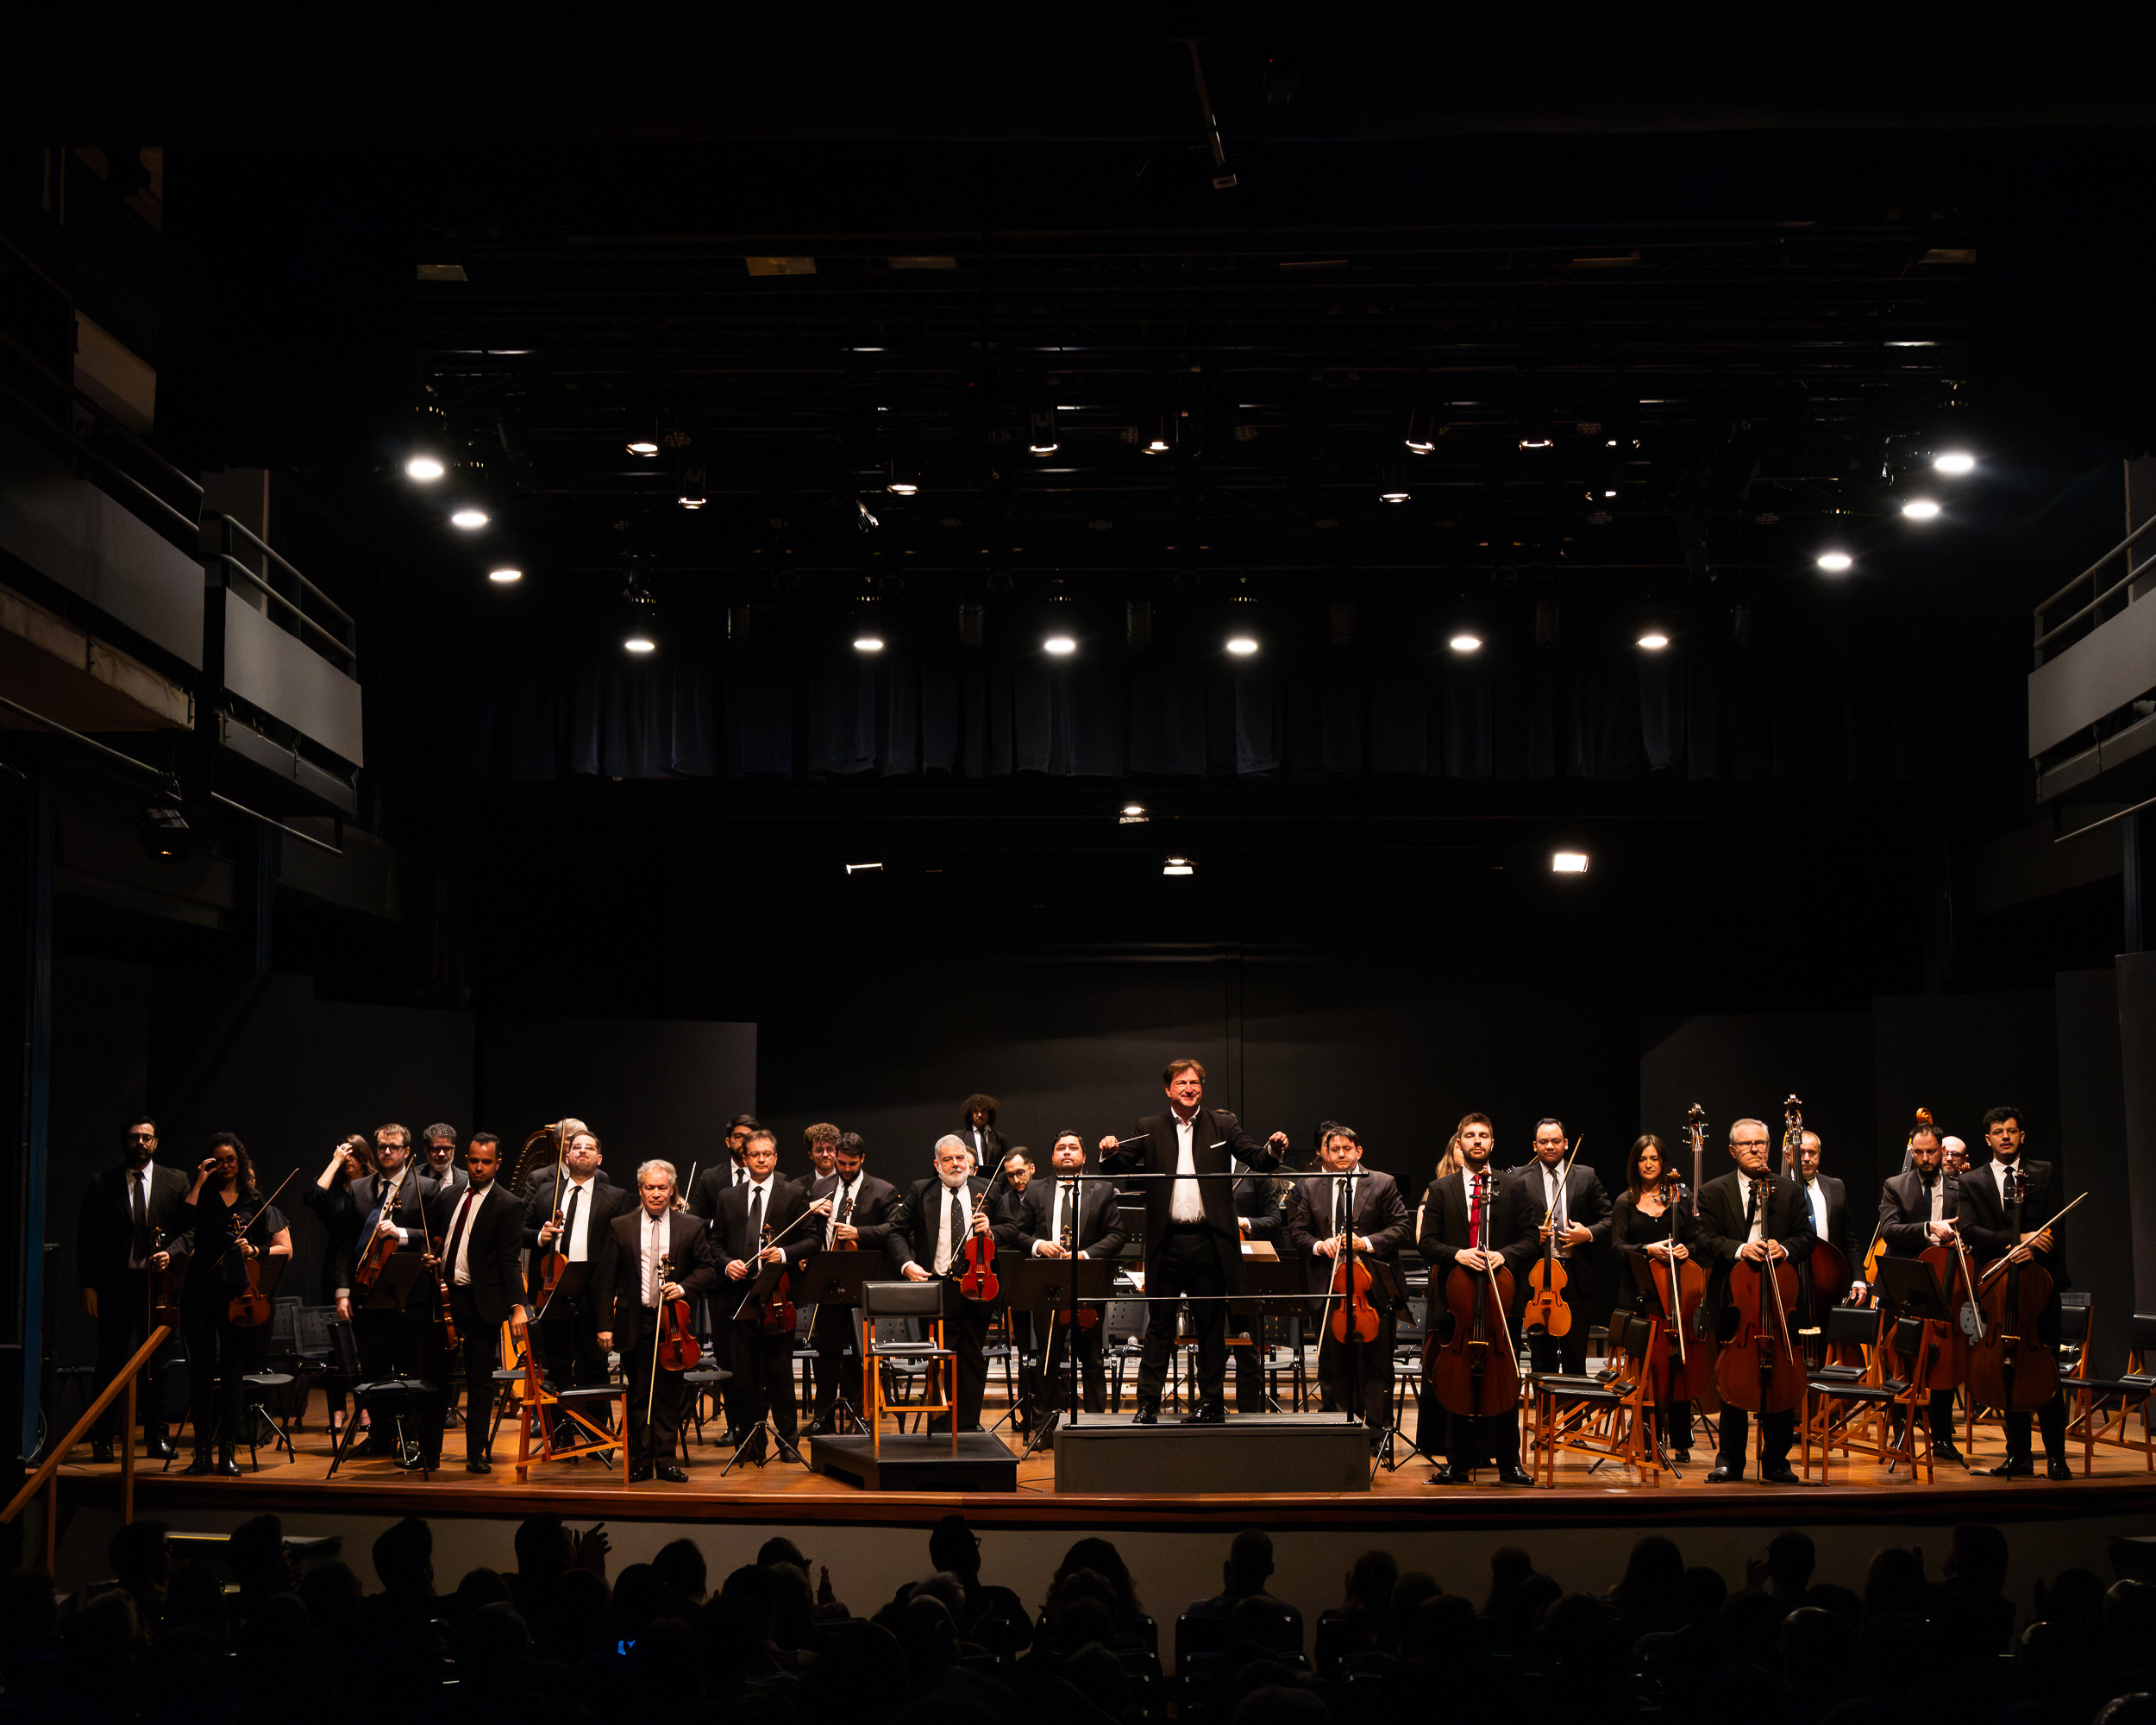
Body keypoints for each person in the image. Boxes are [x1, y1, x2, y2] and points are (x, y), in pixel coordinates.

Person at [1097, 1059, 1288, 1425]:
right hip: (1166, 1242)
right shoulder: (1148, 1127)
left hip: (1208, 1241)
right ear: (1168, 1089)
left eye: (1195, 1082)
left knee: (1210, 1326)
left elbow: (1257, 1158)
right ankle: (1148, 1403)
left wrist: (1274, 1149)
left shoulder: (1224, 1124)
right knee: (1159, 1327)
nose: (1189, 1087)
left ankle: (1212, 1402)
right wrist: (1108, 1149)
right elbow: (1115, 1165)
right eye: (1182, 1083)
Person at [1693, 1117, 1815, 1484]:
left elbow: (1807, 1238)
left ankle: (1776, 1460)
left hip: (1781, 1299)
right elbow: (1704, 1239)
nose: (1755, 1149)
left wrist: (1786, 1248)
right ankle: (1730, 1460)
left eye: (1760, 1143)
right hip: (1734, 1300)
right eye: (1746, 1145)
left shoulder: (1790, 1191)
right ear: (1732, 1150)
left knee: (1781, 1380)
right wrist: (1741, 1249)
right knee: (1733, 1380)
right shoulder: (1713, 1192)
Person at [1416, 1112, 1534, 1484]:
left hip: (1501, 1300)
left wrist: (1505, 1255)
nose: (1477, 1141)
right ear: (1460, 1143)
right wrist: (1457, 1254)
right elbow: (1425, 1243)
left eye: (1484, 1135)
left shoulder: (1513, 1187)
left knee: (1504, 1380)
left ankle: (1509, 1464)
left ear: (1492, 1143)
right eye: (1470, 1135)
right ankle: (1458, 1463)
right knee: (1456, 1380)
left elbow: (1532, 1238)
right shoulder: (1441, 1189)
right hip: (1458, 1299)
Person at [1956, 1105, 2072, 1480]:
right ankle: (2019, 1456)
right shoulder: (1972, 1182)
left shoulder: (2044, 1172)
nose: (2005, 1136)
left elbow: (2055, 1229)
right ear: (1987, 1139)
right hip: (1998, 1287)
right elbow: (1971, 1230)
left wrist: (2034, 1246)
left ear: (2022, 1135)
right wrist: (2014, 1241)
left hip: (2041, 1287)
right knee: (2006, 1369)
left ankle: (2057, 1456)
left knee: (2046, 1370)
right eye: (1998, 1131)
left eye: (2012, 1130)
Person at [1284, 1126, 1410, 1450]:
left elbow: (1402, 1228)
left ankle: (1376, 1436)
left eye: (1347, 1149)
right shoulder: (1308, 1186)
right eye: (1335, 1148)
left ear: (1359, 1152)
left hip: (1372, 1291)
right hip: (1329, 1290)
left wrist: (1365, 1242)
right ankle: (1337, 1435)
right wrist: (1318, 1245)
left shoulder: (1382, 1182)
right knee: (1333, 1366)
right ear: (1325, 1152)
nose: (1341, 1154)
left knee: (1376, 1365)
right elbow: (1297, 1234)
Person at [76, 1114, 191, 1463]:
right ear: (124, 1141)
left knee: (159, 1364)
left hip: (158, 1286)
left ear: (155, 1142)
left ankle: (156, 1437)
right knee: (110, 1361)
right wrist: (88, 1285)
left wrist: (171, 1254)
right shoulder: (102, 1183)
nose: (140, 1143)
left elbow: (191, 1231)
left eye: (147, 1137)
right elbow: (87, 1239)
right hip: (115, 1287)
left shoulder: (177, 1180)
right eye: (134, 1137)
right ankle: (102, 1438)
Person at [175, 1133, 291, 1475]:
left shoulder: (254, 1200)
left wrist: (253, 1250)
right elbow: (184, 1221)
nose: (225, 1166)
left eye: (231, 1160)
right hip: (200, 1289)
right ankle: (200, 1454)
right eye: (218, 1160)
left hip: (237, 1293)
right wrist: (200, 1178)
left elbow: (271, 1246)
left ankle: (227, 1452)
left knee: (232, 1372)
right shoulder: (203, 1195)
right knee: (200, 1372)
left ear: (239, 1163)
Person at [609, 1159, 719, 1481]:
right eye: (649, 1188)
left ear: (672, 1190)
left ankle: (666, 1460)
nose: (656, 1194)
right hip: (636, 1321)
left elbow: (707, 1268)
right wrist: (604, 1323)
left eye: (662, 1188)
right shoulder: (621, 1225)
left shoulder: (691, 1225)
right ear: (640, 1190)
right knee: (640, 1393)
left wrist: (683, 1287)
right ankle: (641, 1461)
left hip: (673, 1323)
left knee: (669, 1394)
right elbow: (607, 1277)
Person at [425, 1131, 528, 1473]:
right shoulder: (449, 1196)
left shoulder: (509, 1204)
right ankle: (429, 1454)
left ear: (498, 1163)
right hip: (445, 1297)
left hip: (480, 1302)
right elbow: (439, 1242)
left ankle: (476, 1454)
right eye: (473, 1160)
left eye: (486, 1162)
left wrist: (518, 1306)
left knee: (480, 1381)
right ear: (465, 1159)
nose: (478, 1167)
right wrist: (431, 1258)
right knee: (435, 1378)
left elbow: (509, 1260)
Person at [714, 1128, 820, 1459]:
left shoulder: (793, 1193)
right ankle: (750, 1444)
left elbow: (812, 1239)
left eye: (768, 1154)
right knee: (744, 1376)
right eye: (755, 1154)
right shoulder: (728, 1197)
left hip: (778, 1297)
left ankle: (787, 1442)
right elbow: (714, 1243)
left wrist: (784, 1254)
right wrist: (728, 1263)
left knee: (779, 1373)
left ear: (775, 1157)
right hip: (739, 1298)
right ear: (744, 1158)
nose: (762, 1159)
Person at [889, 1136, 1000, 1432]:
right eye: (948, 1159)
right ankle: (940, 1425)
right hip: (938, 1286)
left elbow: (1012, 1228)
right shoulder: (921, 1191)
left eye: (960, 1158)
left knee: (974, 1355)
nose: (955, 1164)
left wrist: (991, 1231)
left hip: (978, 1281)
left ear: (968, 1162)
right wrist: (907, 1264)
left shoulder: (987, 1190)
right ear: (937, 1164)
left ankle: (968, 1424)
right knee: (941, 1355)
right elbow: (896, 1232)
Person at [1014, 1130, 1127, 1421]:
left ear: (1084, 1156)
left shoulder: (1101, 1190)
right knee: (1048, 1357)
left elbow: (1117, 1236)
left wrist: (1084, 1254)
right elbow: (1017, 1232)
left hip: (1087, 1283)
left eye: (1073, 1148)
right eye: (1061, 1148)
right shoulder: (1036, 1190)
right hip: (1047, 1284)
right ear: (1052, 1157)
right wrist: (1039, 1245)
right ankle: (1045, 1423)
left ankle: (1095, 1424)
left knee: (1091, 1358)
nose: (1067, 1152)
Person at [1876, 1117, 1968, 1464]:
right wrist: (1931, 1228)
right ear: (1912, 1151)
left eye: (1931, 1152)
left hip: (1944, 1283)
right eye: (1920, 1153)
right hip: (1903, 1283)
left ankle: (1942, 1437)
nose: (1926, 1159)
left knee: (1943, 1362)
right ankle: (1901, 1433)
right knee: (1901, 1360)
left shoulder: (1961, 1188)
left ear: (1942, 1151)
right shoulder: (1895, 1186)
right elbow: (1890, 1231)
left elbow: (1970, 1229)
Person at [523, 1126, 630, 1406]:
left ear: (600, 1158)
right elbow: (517, 1231)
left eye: (589, 1147)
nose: (582, 1150)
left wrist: (618, 1290)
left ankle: (598, 1441)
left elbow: (626, 1249)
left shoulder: (615, 1196)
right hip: (553, 1291)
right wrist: (539, 1236)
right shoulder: (547, 1192)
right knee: (556, 1366)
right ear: (567, 1157)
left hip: (593, 1292)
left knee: (593, 1365)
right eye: (576, 1147)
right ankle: (562, 1438)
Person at [1610, 1132, 1700, 1459]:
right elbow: (1617, 1247)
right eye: (1643, 1159)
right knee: (1648, 1371)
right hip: (1640, 1294)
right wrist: (1647, 1249)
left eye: (1655, 1159)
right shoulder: (1625, 1201)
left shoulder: (1681, 1196)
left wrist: (1686, 1248)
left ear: (1664, 1163)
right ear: (1636, 1164)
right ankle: (1649, 1437)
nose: (1649, 1164)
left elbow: (1698, 1240)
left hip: (1676, 1296)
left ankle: (1680, 1439)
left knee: (1676, 1364)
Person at [806, 1131, 899, 1432]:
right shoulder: (821, 1186)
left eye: (852, 1164)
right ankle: (824, 1419)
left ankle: (862, 1417)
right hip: (829, 1282)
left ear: (862, 1159)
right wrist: (811, 1214)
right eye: (842, 1164)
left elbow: (894, 1229)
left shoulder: (882, 1190)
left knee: (861, 1355)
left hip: (862, 1284)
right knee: (826, 1354)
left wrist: (859, 1233)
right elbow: (809, 1229)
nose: (846, 1170)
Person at [1520, 1117, 1611, 1376]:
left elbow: (1611, 1218)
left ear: (1566, 1144)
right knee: (1541, 1360)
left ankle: (1572, 1415)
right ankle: (1545, 1417)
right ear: (1535, 1146)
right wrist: (1531, 1234)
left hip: (1575, 1276)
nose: (1550, 1146)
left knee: (1575, 1358)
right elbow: (1509, 1225)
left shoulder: (1586, 1175)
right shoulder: (1520, 1178)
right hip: (1537, 1279)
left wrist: (1588, 1234)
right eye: (1544, 1141)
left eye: (1556, 1141)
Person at [960, 1095, 1006, 1172]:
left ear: (989, 1115)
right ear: (970, 1115)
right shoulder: (960, 1137)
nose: (979, 1115)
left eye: (983, 1112)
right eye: (975, 1112)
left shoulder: (1001, 1139)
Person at [423, 1124, 468, 1200]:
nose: (441, 1154)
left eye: (446, 1148)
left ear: (453, 1149)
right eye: (436, 1148)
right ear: (426, 1150)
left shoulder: (467, 1180)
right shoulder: (413, 1177)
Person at [803, 1123, 841, 1189]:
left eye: (829, 1149)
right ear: (811, 1155)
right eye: (819, 1150)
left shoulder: (848, 1182)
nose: (825, 1154)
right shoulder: (799, 1186)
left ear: (837, 1152)